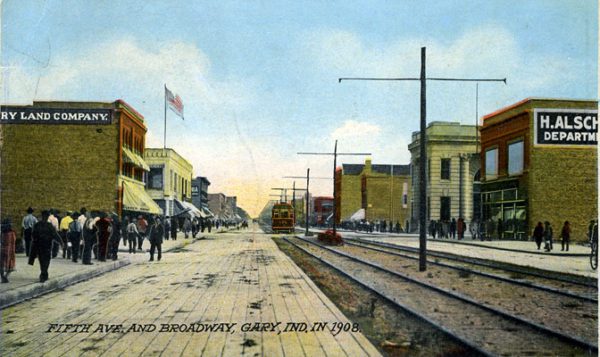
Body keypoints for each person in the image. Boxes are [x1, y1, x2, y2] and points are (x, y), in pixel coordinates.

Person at [28, 210, 62, 282]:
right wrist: (61, 242)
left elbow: (33, 235)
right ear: (47, 217)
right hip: (47, 246)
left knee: (41, 260)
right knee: (46, 260)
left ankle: (43, 273)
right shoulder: (49, 226)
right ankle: (44, 273)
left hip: (39, 245)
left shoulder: (37, 225)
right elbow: (55, 235)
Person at [1, 218, 17, 283]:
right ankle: (5, 277)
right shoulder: (12, 233)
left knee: (1, 265)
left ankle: (2, 277)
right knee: (10, 265)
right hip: (10, 251)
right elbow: (14, 241)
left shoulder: (2, 233)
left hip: (2, 250)